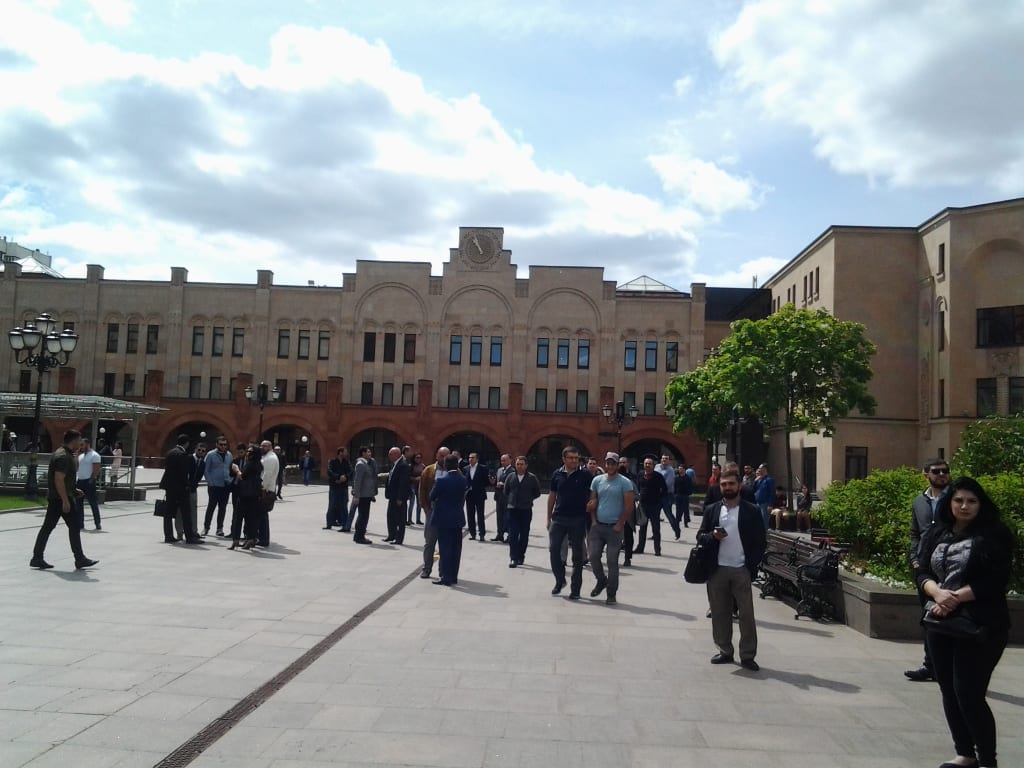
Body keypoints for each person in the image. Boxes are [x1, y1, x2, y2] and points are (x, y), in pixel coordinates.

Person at [916, 476, 1012, 768]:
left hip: (981, 625)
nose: (965, 506)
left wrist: (953, 598)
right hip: (940, 622)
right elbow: (921, 571)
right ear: (949, 503)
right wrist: (936, 593)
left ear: (981, 504)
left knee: (969, 694)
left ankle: (987, 761)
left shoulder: (994, 535)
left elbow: (996, 580)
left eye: (971, 501)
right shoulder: (937, 532)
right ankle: (965, 754)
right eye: (959, 500)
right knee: (948, 690)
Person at [698, 469, 766, 671]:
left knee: (746, 615)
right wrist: (712, 536)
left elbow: (760, 541)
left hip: (741, 570)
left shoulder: (751, 510)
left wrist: (750, 566)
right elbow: (700, 536)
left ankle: (748, 655)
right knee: (719, 613)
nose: (727, 487)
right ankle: (725, 650)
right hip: (717, 569)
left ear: (739, 486)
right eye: (724, 484)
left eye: (731, 484)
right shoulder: (712, 510)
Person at [905, 458, 952, 682]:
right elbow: (915, 533)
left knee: (948, 616)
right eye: (937, 471)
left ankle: (948, 667)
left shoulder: (955, 499)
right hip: (924, 567)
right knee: (927, 616)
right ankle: (930, 666)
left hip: (948, 566)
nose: (942, 475)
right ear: (926, 475)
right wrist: (915, 559)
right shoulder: (919, 501)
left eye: (945, 471)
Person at [30, 429, 98, 570]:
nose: (80, 444)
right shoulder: (63, 456)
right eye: (79, 441)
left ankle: (37, 557)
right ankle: (79, 559)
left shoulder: (64, 453)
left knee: (48, 527)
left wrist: (74, 490)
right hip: (60, 499)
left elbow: (65, 479)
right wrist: (65, 500)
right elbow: (59, 479)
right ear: (73, 441)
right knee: (74, 526)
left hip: (58, 497)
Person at [587, 452, 634, 605]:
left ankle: (611, 593)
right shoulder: (597, 480)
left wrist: (620, 523)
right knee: (593, 556)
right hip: (598, 526)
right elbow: (592, 501)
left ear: (617, 465)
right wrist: (593, 520)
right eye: (608, 463)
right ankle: (601, 580)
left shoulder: (625, 483)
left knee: (612, 561)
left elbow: (629, 506)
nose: (610, 466)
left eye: (613, 463)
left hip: (615, 528)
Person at [546, 446, 591, 599]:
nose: (574, 460)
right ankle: (560, 580)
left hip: (578, 518)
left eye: (576, 458)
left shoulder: (585, 474)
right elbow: (552, 496)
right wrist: (548, 517)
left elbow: (593, 493)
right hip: (559, 518)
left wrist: (592, 505)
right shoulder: (557, 474)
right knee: (554, 549)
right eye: (571, 458)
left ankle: (575, 589)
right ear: (564, 459)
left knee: (577, 556)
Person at [429, 454, 468, 586]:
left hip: (443, 518)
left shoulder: (441, 480)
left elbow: (431, 496)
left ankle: (446, 576)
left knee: (445, 548)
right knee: (456, 549)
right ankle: (453, 576)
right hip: (457, 518)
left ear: (445, 465)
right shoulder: (463, 479)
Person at [160, 434, 201, 544]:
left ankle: (168, 536)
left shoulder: (170, 452)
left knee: (168, 513)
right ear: (186, 443)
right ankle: (190, 537)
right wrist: (187, 485)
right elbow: (183, 473)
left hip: (169, 487)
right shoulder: (182, 454)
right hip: (180, 488)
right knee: (186, 512)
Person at [503, 455, 541, 568]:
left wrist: (528, 499)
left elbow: (537, 492)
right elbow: (506, 490)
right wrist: (512, 500)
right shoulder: (510, 476)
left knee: (524, 535)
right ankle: (513, 558)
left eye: (522, 464)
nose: (519, 466)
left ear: (526, 465)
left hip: (525, 510)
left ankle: (521, 556)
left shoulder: (532, 478)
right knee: (513, 535)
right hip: (512, 510)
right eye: (518, 464)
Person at [418, 447, 449, 578]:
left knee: (445, 544)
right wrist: (425, 508)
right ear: (436, 455)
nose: (443, 459)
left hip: (447, 513)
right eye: (441, 455)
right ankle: (427, 568)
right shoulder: (429, 470)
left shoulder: (454, 471)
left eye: (446, 456)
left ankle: (443, 571)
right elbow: (422, 490)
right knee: (429, 542)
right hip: (432, 511)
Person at [229, 445, 263, 550]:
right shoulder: (259, 464)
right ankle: (251, 539)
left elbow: (242, 476)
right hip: (254, 494)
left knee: (238, 517)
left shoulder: (250, 464)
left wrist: (236, 469)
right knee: (250, 518)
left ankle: (236, 540)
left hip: (245, 494)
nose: (248, 453)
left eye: (250, 452)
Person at [634, 456, 670, 556]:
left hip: (654, 506)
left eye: (650, 464)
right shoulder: (640, 475)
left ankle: (657, 550)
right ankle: (640, 548)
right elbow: (637, 487)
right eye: (646, 463)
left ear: (653, 466)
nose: (648, 465)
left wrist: (659, 501)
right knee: (642, 528)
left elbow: (665, 490)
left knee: (656, 529)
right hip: (643, 505)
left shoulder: (658, 476)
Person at [203, 436, 234, 537]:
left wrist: (230, 479)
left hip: (225, 485)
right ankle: (206, 527)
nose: (223, 446)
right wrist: (210, 482)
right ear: (216, 444)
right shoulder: (210, 454)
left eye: (225, 444)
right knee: (211, 507)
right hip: (214, 485)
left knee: (222, 507)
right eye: (221, 444)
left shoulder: (229, 455)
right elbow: (206, 469)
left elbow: (231, 468)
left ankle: (219, 528)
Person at [384, 446, 411, 544]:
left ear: (396, 454)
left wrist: (400, 497)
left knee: (400, 518)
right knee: (391, 516)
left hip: (398, 497)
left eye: (390, 454)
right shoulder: (394, 464)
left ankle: (399, 539)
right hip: (392, 496)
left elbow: (403, 483)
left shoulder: (403, 465)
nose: (389, 456)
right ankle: (391, 535)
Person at [350, 445, 377, 544]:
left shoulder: (368, 463)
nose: (370, 454)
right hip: (362, 495)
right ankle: (359, 537)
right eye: (368, 452)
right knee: (363, 516)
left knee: (364, 516)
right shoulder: (361, 464)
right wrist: (356, 496)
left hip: (367, 495)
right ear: (363, 453)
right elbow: (357, 481)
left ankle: (359, 535)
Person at [75, 437, 102, 531]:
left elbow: (96, 469)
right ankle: (80, 523)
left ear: (87, 444)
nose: (81, 446)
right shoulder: (81, 456)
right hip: (80, 480)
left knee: (93, 502)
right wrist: (76, 456)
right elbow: (76, 467)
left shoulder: (95, 455)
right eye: (80, 445)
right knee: (78, 503)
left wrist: (92, 479)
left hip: (89, 481)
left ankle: (97, 522)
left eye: (82, 444)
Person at [256, 440, 279, 547]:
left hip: (266, 491)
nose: (262, 447)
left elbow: (267, 475)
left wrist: (262, 488)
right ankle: (262, 538)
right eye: (261, 445)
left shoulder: (270, 458)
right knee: (262, 515)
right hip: (267, 490)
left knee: (262, 516)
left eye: (265, 446)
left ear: (270, 447)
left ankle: (263, 539)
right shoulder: (268, 457)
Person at [463, 452, 490, 541]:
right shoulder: (465, 468)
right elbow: (464, 480)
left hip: (479, 494)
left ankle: (482, 534)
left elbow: (486, 481)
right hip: (469, 495)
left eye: (472, 458)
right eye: (469, 457)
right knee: (470, 515)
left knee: (480, 515)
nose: (470, 459)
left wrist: (479, 486)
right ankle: (472, 534)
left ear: (477, 459)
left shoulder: (483, 468)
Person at [324, 447, 351, 530]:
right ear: (340, 453)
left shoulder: (346, 462)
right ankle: (329, 524)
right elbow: (329, 471)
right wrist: (338, 477)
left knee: (343, 507)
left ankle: (344, 525)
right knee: (332, 505)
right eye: (345, 452)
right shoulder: (332, 461)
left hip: (343, 487)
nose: (346, 453)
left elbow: (351, 471)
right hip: (334, 487)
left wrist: (345, 477)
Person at [655, 455, 681, 539]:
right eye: (663, 458)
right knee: (655, 515)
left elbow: (668, 483)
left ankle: (677, 530)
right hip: (657, 495)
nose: (664, 460)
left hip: (667, 495)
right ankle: (655, 534)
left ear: (669, 461)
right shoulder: (657, 467)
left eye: (666, 459)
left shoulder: (670, 470)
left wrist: (658, 487)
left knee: (668, 514)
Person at [753, 463, 775, 529]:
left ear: (765, 469)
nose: (759, 470)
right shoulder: (759, 480)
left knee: (764, 521)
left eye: (760, 468)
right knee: (757, 521)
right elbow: (754, 489)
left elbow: (772, 492)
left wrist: (770, 504)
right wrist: (755, 481)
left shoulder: (769, 480)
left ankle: (765, 533)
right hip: (758, 503)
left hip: (765, 503)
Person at [674, 462, 694, 528]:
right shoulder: (676, 478)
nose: (680, 470)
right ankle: (677, 521)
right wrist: (675, 494)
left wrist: (689, 493)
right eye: (679, 469)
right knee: (678, 510)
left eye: (681, 469)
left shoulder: (688, 478)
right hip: (678, 495)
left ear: (684, 469)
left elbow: (690, 486)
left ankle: (686, 522)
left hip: (685, 495)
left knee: (685, 510)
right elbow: (674, 486)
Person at [408, 451, 425, 525]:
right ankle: (409, 519)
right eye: (417, 457)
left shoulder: (423, 466)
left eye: (420, 458)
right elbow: (408, 476)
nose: (418, 459)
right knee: (411, 503)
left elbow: (424, 475)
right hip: (412, 486)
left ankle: (418, 519)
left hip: (419, 486)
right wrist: (415, 479)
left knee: (419, 504)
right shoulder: (411, 466)